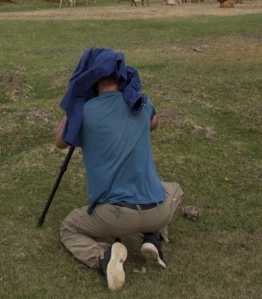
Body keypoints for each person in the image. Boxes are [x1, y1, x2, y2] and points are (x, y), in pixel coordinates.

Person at [53, 47, 182, 291]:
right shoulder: (141, 103)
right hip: (158, 211)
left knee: (69, 227)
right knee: (174, 189)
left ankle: (104, 257)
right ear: (121, 75)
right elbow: (154, 123)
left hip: (114, 216)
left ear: (90, 78)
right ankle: (153, 236)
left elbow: (60, 141)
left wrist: (74, 104)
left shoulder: (85, 112)